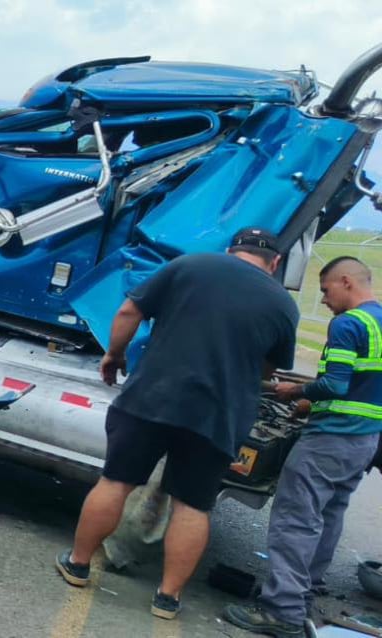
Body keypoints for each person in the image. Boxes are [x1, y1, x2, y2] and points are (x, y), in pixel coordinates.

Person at [55, 228, 299, 620]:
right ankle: (167, 598)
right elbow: (267, 368)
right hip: (218, 416)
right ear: (275, 263)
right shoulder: (283, 304)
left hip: (153, 398)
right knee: (193, 506)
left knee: (116, 481)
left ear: (231, 250)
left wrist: (114, 355)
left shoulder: (189, 265)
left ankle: (78, 565)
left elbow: (128, 311)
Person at [225, 256, 382, 637]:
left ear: (346, 282)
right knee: (329, 515)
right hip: (365, 439)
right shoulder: (378, 320)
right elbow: (363, 381)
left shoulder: (347, 324)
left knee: (296, 519)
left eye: (326, 290)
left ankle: (283, 611)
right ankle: (304, 590)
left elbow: (335, 384)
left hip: (331, 438)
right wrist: (311, 402)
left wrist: (295, 390)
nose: (324, 300)